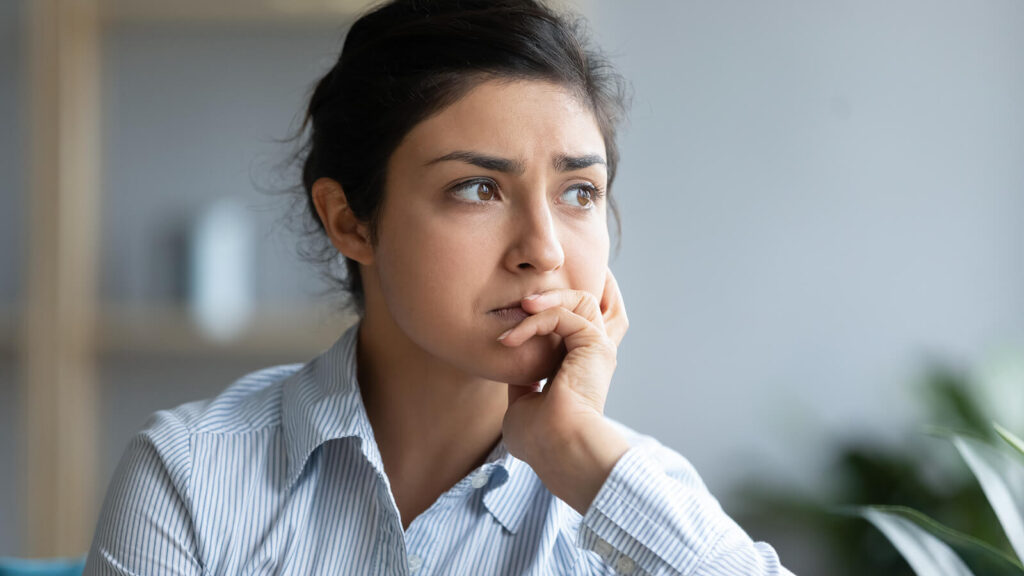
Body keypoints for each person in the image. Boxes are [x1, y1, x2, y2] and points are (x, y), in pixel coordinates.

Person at [85, 1, 794, 574]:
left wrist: (576, 454)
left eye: (579, 192)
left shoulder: (626, 494)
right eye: (478, 188)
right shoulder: (193, 474)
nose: (544, 251)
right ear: (350, 220)